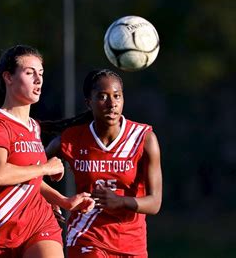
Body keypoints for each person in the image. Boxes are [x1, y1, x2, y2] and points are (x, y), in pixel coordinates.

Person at [44, 68, 163, 257]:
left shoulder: (144, 139)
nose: (112, 104)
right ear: (88, 103)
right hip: (86, 237)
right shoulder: (70, 140)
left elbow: (155, 203)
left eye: (117, 96)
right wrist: (49, 198)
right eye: (102, 96)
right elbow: (31, 172)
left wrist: (120, 201)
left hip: (132, 243)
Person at [0, 45, 94, 258]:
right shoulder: (0, 124)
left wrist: (63, 201)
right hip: (2, 229)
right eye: (29, 73)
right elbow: (0, 174)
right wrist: (44, 167)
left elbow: (29, 180)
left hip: (38, 222)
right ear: (8, 77)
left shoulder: (34, 127)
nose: (38, 80)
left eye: (40, 73)